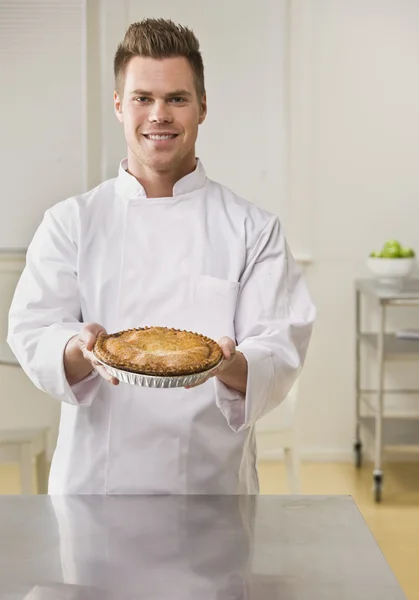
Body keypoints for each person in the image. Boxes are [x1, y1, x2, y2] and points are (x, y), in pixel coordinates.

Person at [7, 18, 315, 494]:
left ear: (202, 107)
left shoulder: (253, 229)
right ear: (118, 104)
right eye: (142, 98)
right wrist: (80, 348)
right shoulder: (72, 221)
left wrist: (224, 363)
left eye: (176, 98)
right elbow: (32, 333)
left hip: (210, 487)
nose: (159, 114)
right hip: (96, 487)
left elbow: (278, 350)